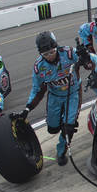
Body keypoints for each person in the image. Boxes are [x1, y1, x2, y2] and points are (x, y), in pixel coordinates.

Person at [14, 31, 82, 166]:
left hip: (73, 94)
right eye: (45, 54)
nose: (49, 56)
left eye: (52, 52)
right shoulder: (39, 67)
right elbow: (36, 89)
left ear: (56, 46)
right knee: (52, 128)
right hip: (55, 97)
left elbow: (91, 63)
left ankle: (61, 150)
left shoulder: (69, 53)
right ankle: (60, 125)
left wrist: (85, 56)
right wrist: (28, 108)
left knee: (69, 126)